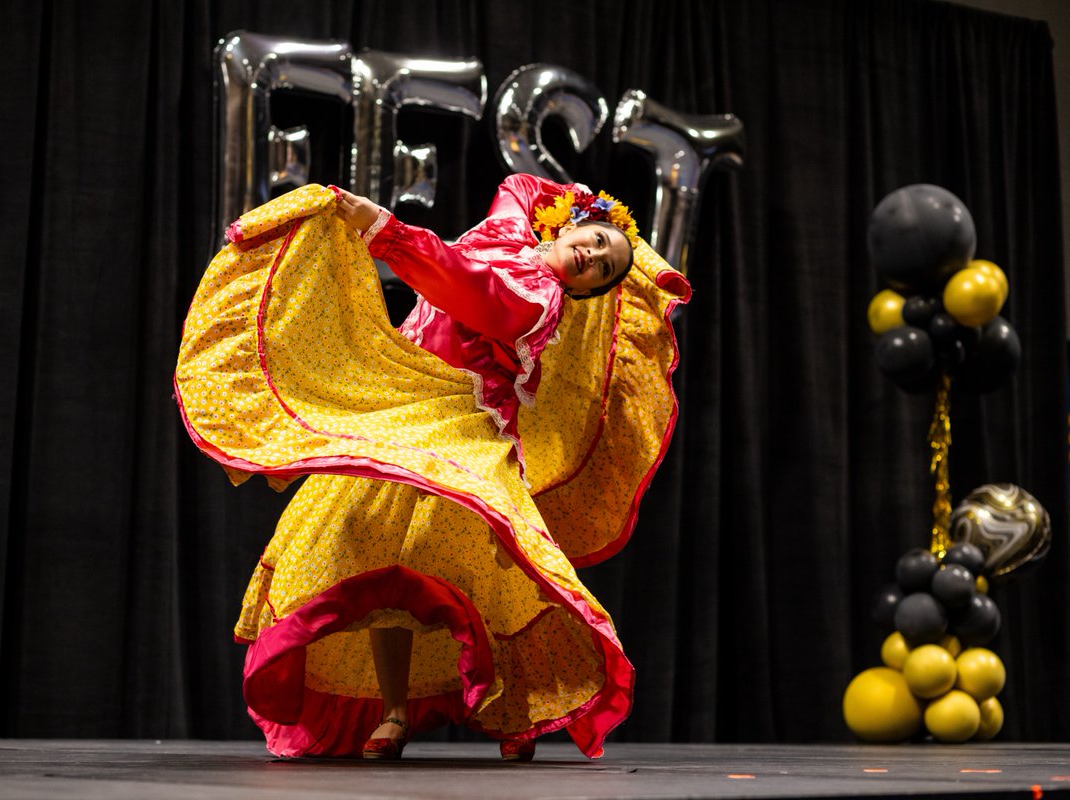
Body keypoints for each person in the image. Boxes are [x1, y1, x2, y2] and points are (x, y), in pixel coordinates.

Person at [175, 173, 690, 761]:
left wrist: (382, 230)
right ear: (571, 227)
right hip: (408, 407)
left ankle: (514, 712)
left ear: (582, 292)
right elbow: (520, 184)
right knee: (379, 556)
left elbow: (459, 281)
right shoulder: (511, 232)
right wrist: (589, 204)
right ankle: (395, 711)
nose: (593, 256)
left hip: (466, 423)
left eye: (602, 268)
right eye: (597, 241)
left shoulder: (537, 298)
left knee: (494, 571)